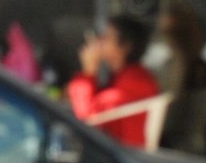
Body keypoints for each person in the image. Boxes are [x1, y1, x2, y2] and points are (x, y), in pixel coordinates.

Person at [67, 14, 161, 148]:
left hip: (124, 154)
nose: (99, 41)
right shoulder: (125, 76)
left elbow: (87, 117)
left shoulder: (135, 83)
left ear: (126, 46)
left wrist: (88, 72)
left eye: (106, 37)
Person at [154, 0, 206, 156]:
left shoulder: (193, 69)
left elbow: (177, 117)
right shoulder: (179, 64)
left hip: (183, 149)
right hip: (184, 147)